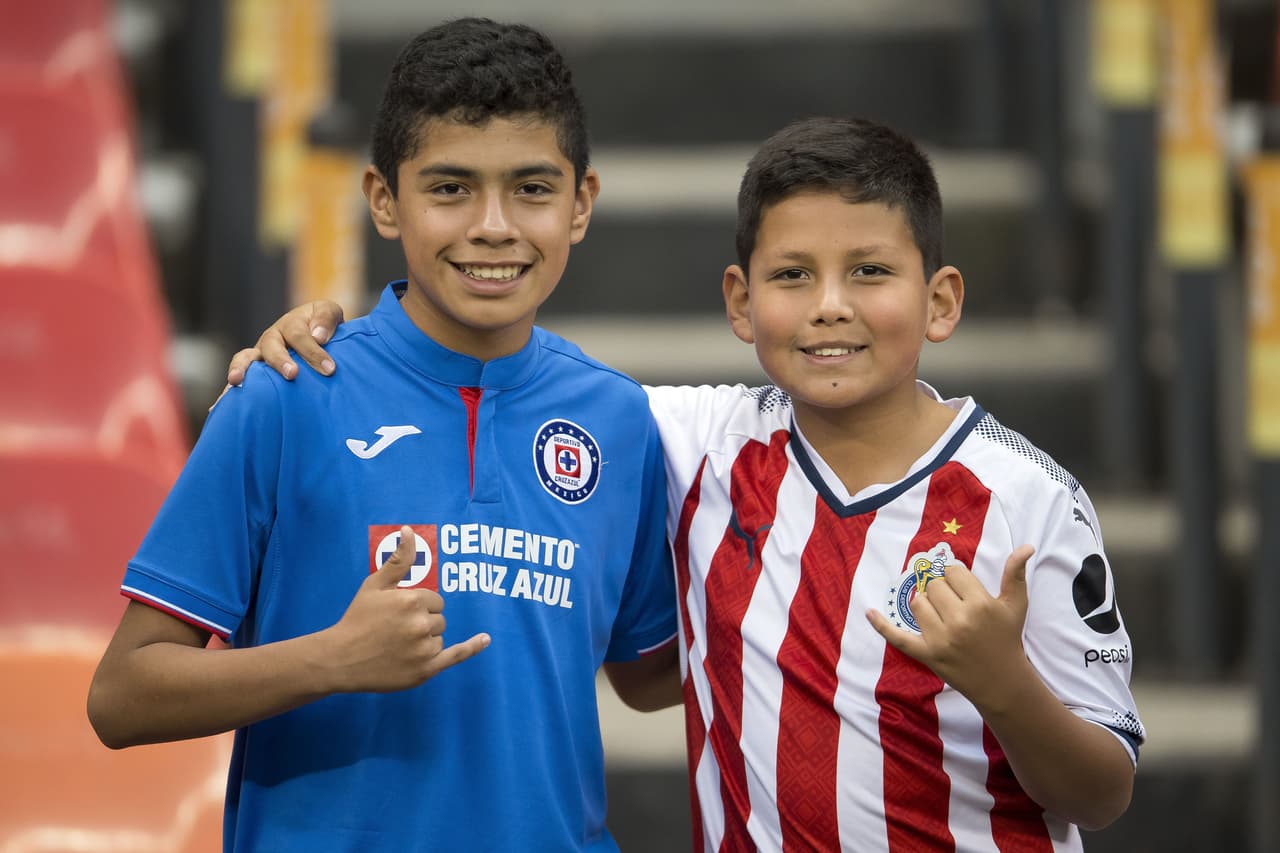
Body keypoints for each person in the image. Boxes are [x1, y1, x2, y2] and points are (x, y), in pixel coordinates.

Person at [235, 116, 1145, 851]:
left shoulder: (1029, 502)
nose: (831, 304)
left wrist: (1004, 684)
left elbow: (1102, 793)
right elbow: (515, 393)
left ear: (941, 299)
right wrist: (330, 345)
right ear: (741, 303)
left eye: (870, 272)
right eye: (794, 275)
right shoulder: (687, 440)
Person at [87, 18, 680, 853]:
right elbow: (120, 697)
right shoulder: (288, 392)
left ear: (580, 205)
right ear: (382, 201)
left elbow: (649, 674)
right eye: (449, 188)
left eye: (533, 189)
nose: (494, 225)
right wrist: (329, 658)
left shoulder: (619, 419)